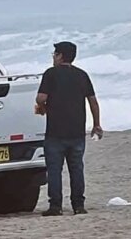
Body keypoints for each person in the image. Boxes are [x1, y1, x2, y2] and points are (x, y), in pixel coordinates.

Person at [35, 41, 102, 216]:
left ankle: (55, 206)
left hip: (55, 132)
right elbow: (93, 101)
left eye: (54, 54)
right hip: (77, 131)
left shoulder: (51, 74)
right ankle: (78, 205)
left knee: (55, 170)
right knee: (77, 169)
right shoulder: (82, 75)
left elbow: (41, 98)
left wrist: (42, 107)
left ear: (60, 56)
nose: (53, 57)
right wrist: (96, 124)